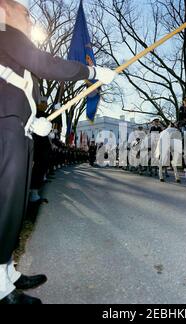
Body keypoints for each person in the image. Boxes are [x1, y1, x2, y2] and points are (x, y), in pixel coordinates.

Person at [0, 0, 116, 304]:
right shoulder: (3, 31)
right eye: (24, 12)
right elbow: (46, 64)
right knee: (4, 205)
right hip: (3, 128)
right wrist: (90, 71)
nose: (29, 18)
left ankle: (6, 272)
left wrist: (32, 119)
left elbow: (18, 87)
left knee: (14, 205)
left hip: (16, 128)